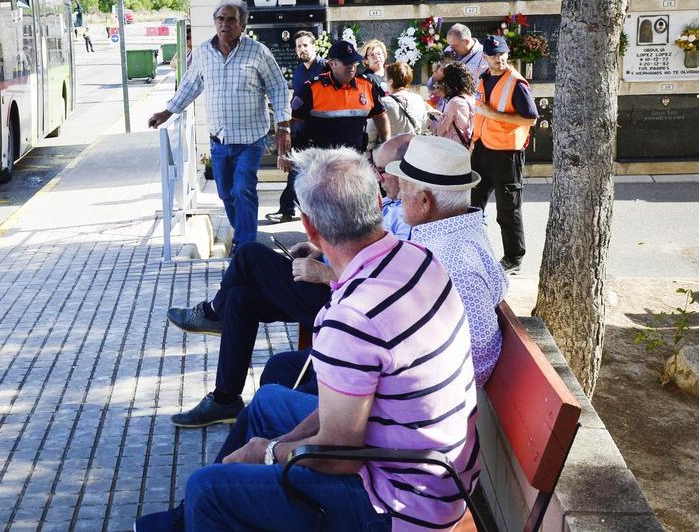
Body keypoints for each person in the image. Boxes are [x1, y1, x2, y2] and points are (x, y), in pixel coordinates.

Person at [136, 147, 480, 532]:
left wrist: (268, 452)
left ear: (309, 226)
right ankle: (188, 521)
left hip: (401, 503)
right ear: (376, 203)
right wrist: (278, 445)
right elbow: (345, 417)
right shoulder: (417, 258)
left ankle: (201, 511)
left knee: (208, 489)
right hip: (435, 472)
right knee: (266, 403)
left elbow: (341, 456)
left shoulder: (350, 317)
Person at [165, 134, 415, 428]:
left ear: (403, 170)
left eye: (382, 170)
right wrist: (320, 250)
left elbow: (387, 280)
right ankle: (225, 398)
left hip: (343, 303)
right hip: (329, 286)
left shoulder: (409, 218)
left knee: (249, 254)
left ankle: (212, 314)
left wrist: (324, 273)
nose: (376, 175)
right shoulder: (391, 202)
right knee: (241, 298)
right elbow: (361, 244)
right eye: (375, 167)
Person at [259, 135, 507, 397]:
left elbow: (476, 362)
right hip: (393, 368)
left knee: (270, 400)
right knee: (280, 370)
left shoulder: (451, 259)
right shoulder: (454, 235)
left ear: (424, 201)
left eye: (405, 188)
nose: (398, 195)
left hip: (406, 395)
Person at [149, 0, 291, 253]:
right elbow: (191, 85)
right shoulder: (203, 52)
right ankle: (243, 233)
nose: (225, 24)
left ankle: (245, 244)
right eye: (220, 19)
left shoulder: (257, 52)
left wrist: (284, 125)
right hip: (219, 140)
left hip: (250, 138)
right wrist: (167, 112)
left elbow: (278, 87)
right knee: (226, 194)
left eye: (231, 19)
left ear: (243, 25)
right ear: (215, 23)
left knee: (243, 188)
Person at [471, 34, 538, 275]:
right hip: (482, 149)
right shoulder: (483, 78)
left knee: (508, 210)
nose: (499, 59)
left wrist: (495, 115)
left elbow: (530, 119)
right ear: (485, 56)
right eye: (494, 55)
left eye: (502, 54)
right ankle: (472, 252)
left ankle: (513, 258)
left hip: (506, 154)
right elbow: (480, 114)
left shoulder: (516, 83)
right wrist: (473, 143)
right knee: (473, 206)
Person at [267, 30, 326, 224]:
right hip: (301, 128)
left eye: (306, 45)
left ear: (314, 46)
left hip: (321, 128)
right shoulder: (299, 71)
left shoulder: (325, 68)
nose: (302, 49)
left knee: (301, 170)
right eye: (299, 46)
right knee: (297, 168)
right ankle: (289, 209)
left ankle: (289, 209)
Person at [291, 39, 389, 155]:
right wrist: (292, 154)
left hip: (355, 159)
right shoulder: (311, 88)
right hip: (321, 161)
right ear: (332, 64)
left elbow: (380, 116)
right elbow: (294, 121)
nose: (351, 67)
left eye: (354, 62)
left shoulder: (367, 86)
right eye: (346, 63)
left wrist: (385, 145)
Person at [431, 60, 477, 149]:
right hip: (468, 148)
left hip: (454, 150)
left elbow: (440, 130)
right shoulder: (472, 98)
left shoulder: (454, 102)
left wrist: (428, 122)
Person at [380, 61, 432, 135]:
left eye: (386, 79)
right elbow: (424, 126)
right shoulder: (418, 99)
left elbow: (372, 131)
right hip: (413, 144)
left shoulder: (383, 103)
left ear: (391, 82)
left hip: (391, 145)